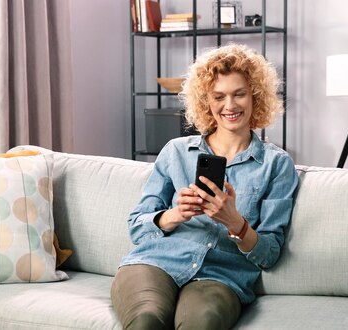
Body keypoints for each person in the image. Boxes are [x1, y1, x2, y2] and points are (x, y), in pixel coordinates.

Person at [111, 43, 299, 329]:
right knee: (146, 320)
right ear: (206, 102)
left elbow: (269, 253)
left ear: (256, 97)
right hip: (154, 263)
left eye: (240, 94)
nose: (230, 105)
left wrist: (235, 222)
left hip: (222, 275)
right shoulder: (175, 151)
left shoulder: (277, 164)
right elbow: (137, 227)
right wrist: (176, 214)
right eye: (219, 96)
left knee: (202, 323)